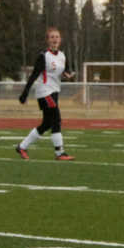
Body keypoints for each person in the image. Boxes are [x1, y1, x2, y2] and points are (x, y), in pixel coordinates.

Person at [15, 27, 75, 160]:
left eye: (57, 37)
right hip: (44, 92)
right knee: (56, 119)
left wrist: (69, 75)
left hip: (55, 91)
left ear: (60, 40)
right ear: (48, 40)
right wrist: (25, 93)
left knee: (47, 123)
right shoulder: (44, 56)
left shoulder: (62, 56)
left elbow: (66, 72)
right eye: (52, 37)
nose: (55, 39)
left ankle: (22, 147)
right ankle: (59, 152)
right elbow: (34, 76)